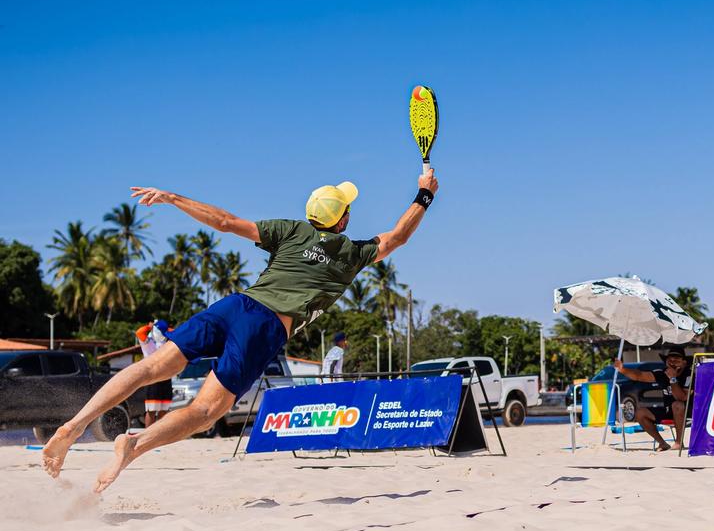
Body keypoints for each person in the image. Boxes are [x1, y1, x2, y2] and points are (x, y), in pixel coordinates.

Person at [42, 169, 439, 492]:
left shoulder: (290, 231)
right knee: (205, 411)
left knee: (151, 368)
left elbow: (225, 223)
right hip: (265, 327)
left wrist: (172, 197)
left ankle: (73, 425)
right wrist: (424, 193)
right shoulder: (351, 252)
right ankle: (132, 447)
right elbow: (399, 236)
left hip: (236, 305)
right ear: (343, 219)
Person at [612, 346, 691, 452]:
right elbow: (640, 376)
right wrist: (622, 369)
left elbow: (681, 397)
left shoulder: (689, 375)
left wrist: (673, 379)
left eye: (677, 360)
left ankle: (678, 442)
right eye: (670, 360)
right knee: (640, 413)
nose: (673, 363)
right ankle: (662, 443)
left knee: (677, 404)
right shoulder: (662, 373)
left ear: (684, 363)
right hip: (668, 410)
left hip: (686, 412)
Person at [135, 319, 174, 427]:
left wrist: (166, 329)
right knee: (151, 410)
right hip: (153, 378)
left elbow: (177, 332)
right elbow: (139, 332)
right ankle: (148, 433)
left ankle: (159, 433)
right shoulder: (148, 341)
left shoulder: (167, 341)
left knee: (164, 410)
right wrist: (150, 327)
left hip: (166, 378)